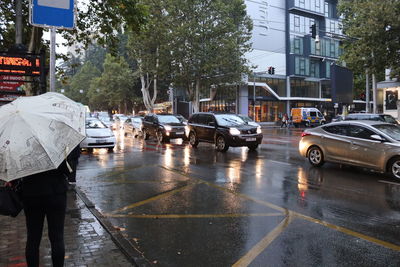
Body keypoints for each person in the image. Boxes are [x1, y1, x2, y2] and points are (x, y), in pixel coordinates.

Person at [19, 161, 70, 267]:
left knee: (33, 238)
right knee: (57, 237)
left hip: (31, 193)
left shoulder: (23, 147)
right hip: (56, 192)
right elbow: (68, 169)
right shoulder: (56, 145)